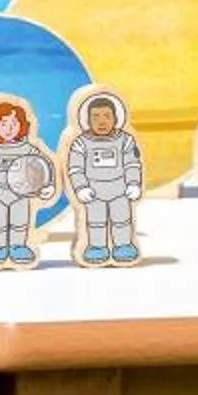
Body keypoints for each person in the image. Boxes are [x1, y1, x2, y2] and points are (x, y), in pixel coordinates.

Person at [61, 88, 145, 265]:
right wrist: (81, 188)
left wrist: (133, 184)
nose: (101, 121)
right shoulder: (81, 143)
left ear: (116, 118)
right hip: (94, 193)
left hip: (120, 191)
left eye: (107, 116)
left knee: (122, 220)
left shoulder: (125, 141)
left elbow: (132, 163)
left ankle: (123, 245)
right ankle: (97, 247)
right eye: (95, 117)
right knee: (95, 221)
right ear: (87, 120)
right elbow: (75, 168)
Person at [0, 95, 54, 266]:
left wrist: (47, 185)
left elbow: (43, 166)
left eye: (13, 124)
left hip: (21, 195)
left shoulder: (27, 149)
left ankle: (18, 246)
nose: (8, 129)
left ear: (22, 126)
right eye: (3, 124)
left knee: (20, 222)